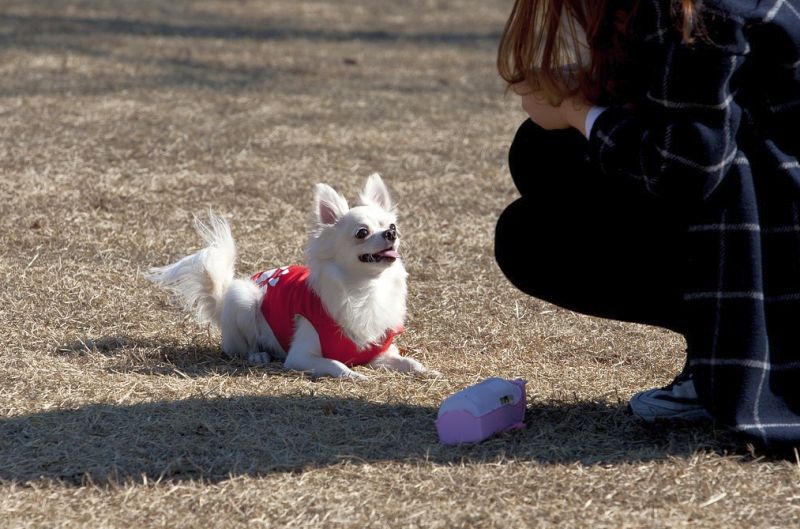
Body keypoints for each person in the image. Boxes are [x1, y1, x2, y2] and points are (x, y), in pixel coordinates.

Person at [494, 0, 800, 447]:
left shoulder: (693, 9)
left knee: (528, 237)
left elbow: (689, 166)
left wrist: (579, 112)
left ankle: (744, 353)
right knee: (541, 152)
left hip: (781, 221)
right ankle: (721, 352)